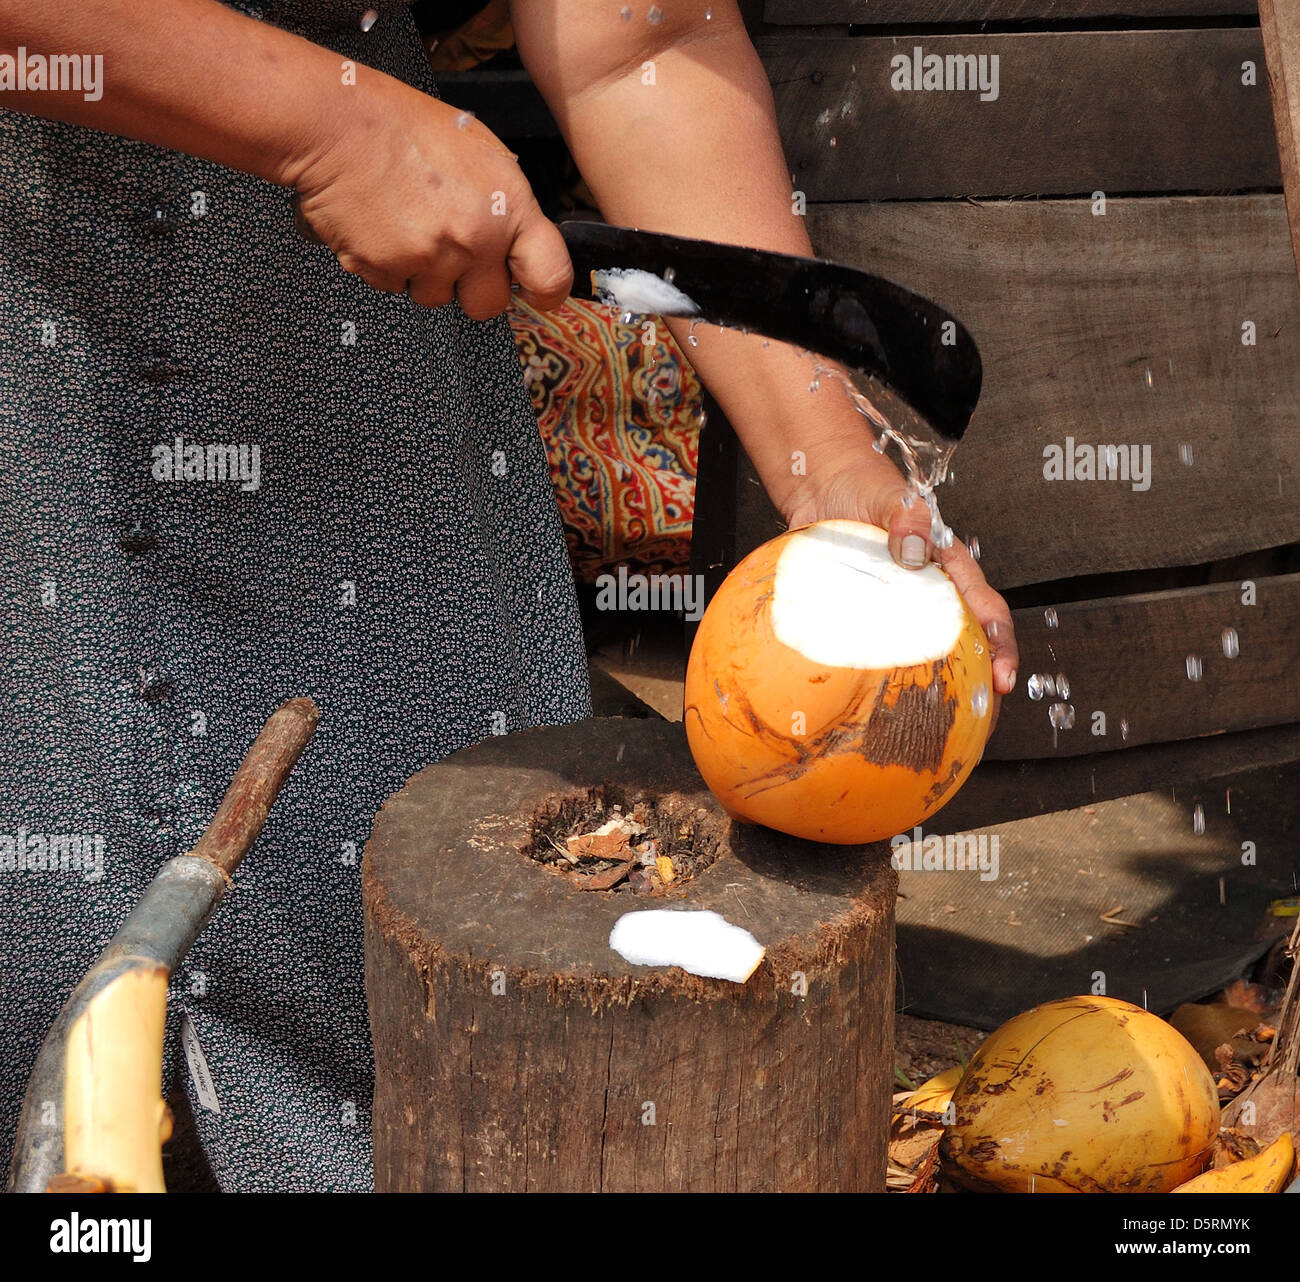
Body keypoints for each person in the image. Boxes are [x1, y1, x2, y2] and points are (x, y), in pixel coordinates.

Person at [0, 0, 1019, 1190]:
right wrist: (323, 127)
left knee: (436, 1035)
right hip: (41, 345)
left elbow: (640, 39)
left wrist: (828, 463)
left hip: (358, 374)